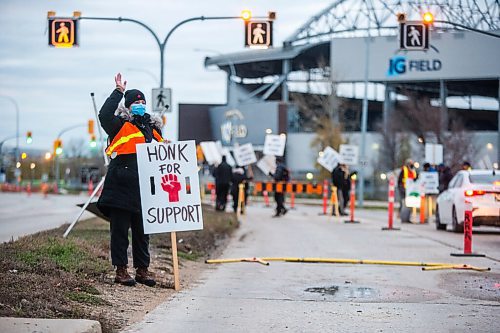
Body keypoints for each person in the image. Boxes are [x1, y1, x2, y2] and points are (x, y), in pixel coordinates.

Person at [97, 73, 163, 287]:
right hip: (121, 187)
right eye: (136, 102)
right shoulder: (118, 125)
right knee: (120, 231)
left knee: (143, 233)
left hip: (145, 188)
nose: (140, 105)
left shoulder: (153, 130)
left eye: (143, 102)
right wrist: (118, 92)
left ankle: (143, 270)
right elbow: (104, 114)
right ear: (128, 105)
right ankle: (121, 270)